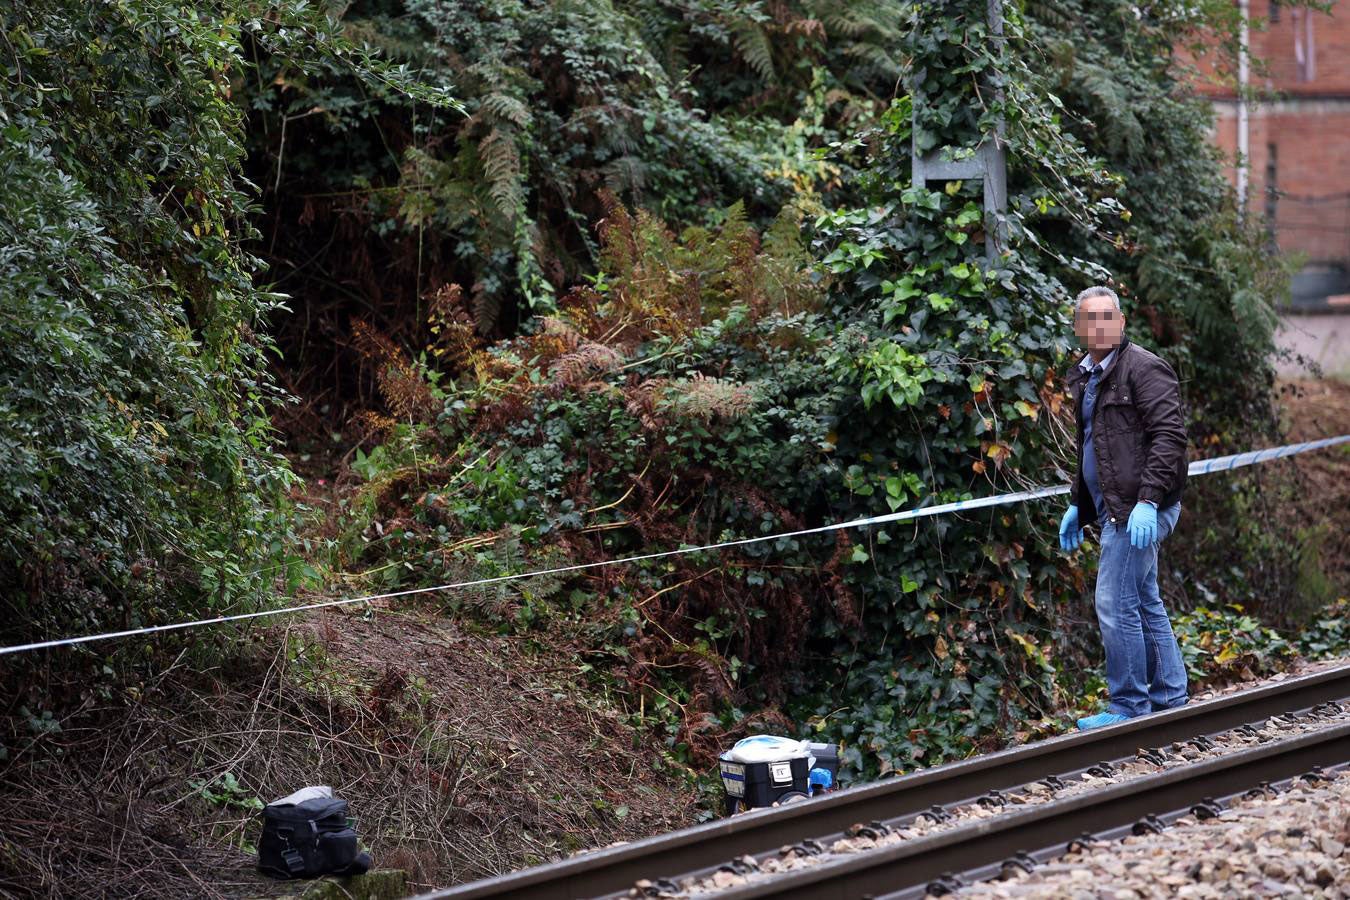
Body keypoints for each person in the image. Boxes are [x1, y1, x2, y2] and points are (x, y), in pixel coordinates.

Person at [1058, 285, 1189, 730]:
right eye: (1089, 319)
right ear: (1079, 327)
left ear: (1121, 322)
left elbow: (1169, 438)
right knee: (1142, 596)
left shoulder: (1145, 369)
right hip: (1115, 508)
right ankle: (1170, 695)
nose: (1098, 327)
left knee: (1114, 601)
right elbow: (1095, 447)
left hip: (1139, 510)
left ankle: (1129, 705)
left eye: (1106, 317)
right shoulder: (1086, 374)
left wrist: (1149, 502)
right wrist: (1080, 503)